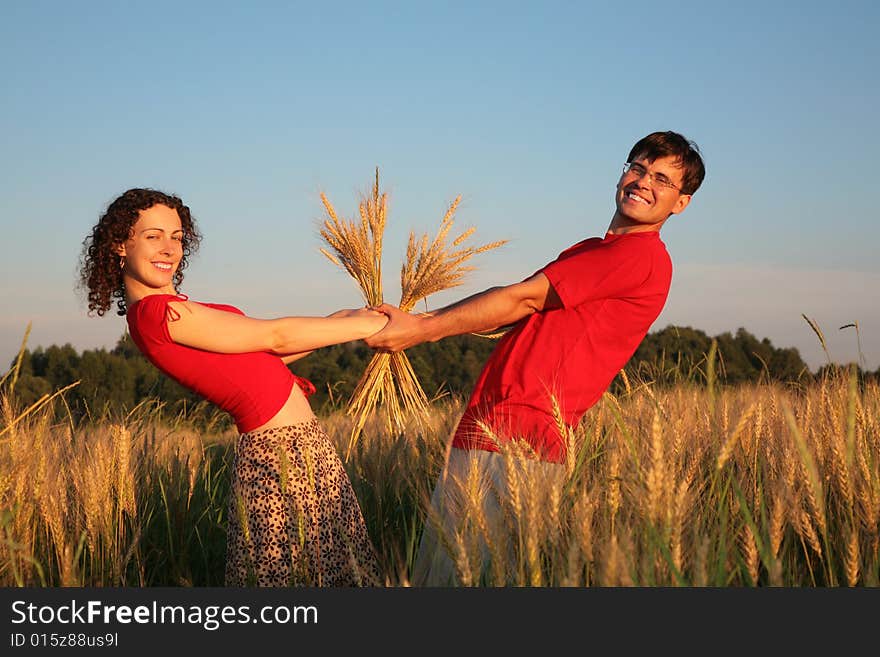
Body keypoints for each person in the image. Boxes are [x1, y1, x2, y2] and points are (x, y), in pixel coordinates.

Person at [365, 131, 706, 585]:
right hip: (491, 422)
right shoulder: (592, 250)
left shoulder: (638, 256)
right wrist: (418, 319)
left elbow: (522, 299)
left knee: (458, 580)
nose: (644, 182)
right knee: (435, 577)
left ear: (680, 203)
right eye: (639, 168)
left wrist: (421, 329)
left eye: (662, 179)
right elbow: (515, 313)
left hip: (521, 437)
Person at [79, 187, 388, 587]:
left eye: (176, 237)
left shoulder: (172, 310)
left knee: (331, 573)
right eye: (153, 236)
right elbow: (275, 336)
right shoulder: (158, 314)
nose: (169, 248)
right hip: (280, 457)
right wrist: (365, 326)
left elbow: (263, 359)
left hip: (302, 447)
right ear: (121, 244)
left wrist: (343, 319)